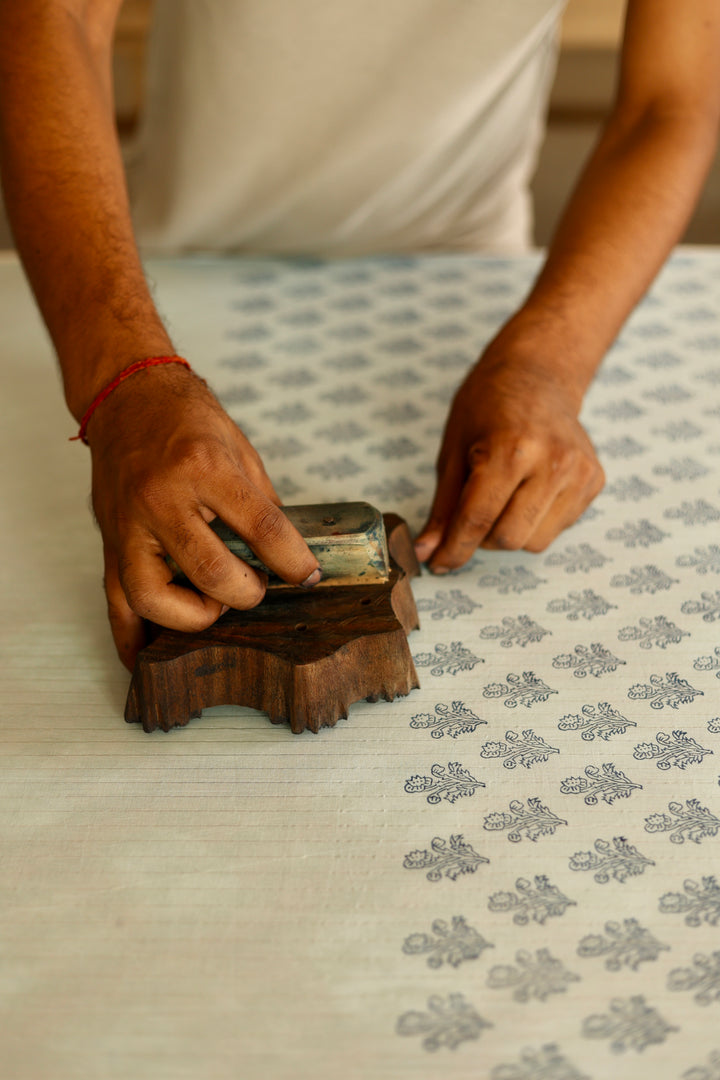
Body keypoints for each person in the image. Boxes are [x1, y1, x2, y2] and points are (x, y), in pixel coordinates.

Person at [0, 1, 718, 671]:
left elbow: (674, 99)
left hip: (474, 274)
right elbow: (52, 14)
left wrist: (550, 365)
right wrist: (125, 380)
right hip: (154, 287)